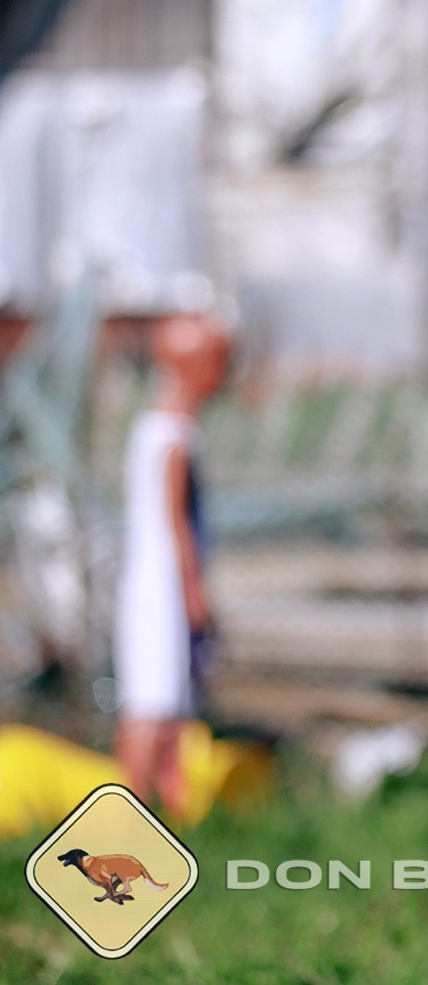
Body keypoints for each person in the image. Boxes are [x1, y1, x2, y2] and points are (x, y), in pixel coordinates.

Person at [113, 314, 226, 811]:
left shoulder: (154, 428)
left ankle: (169, 813)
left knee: (171, 706)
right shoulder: (173, 436)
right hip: (161, 588)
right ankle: (132, 811)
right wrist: (195, 589)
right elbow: (175, 520)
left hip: (152, 582)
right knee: (152, 705)